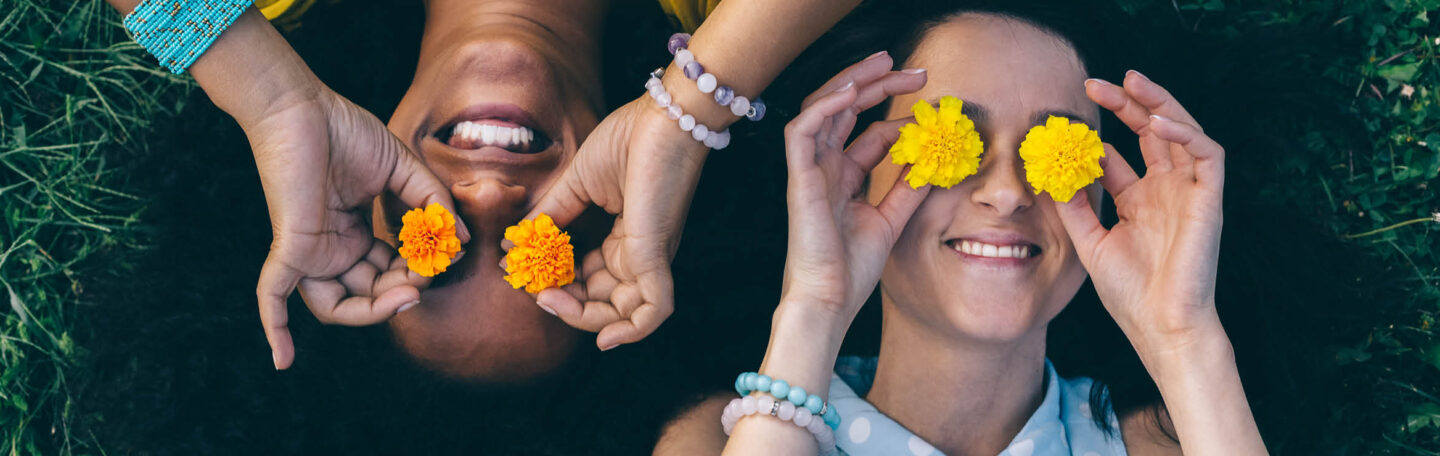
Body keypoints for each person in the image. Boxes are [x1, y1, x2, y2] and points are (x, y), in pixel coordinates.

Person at [655, 1, 1268, 454]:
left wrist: (1183, 338)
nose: (1006, 193)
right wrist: (815, 302)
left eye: (1054, 149)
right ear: (854, 174)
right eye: (952, 140)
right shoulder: (726, 436)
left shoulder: (1160, 442)